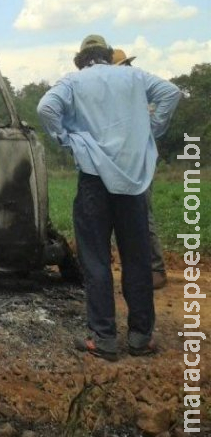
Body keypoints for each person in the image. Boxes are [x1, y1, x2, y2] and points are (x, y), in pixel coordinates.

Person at [37, 35, 180, 361]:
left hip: (94, 182)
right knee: (138, 260)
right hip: (132, 183)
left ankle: (104, 339)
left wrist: (65, 138)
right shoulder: (133, 76)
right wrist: (151, 129)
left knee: (97, 261)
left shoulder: (73, 81)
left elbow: (46, 107)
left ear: (81, 59)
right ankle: (140, 338)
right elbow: (170, 93)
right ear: (105, 55)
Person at [112, 49, 167, 289]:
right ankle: (141, 267)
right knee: (126, 213)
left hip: (138, 160)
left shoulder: (136, 95)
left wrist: (151, 132)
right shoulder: (128, 93)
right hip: (127, 160)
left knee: (142, 212)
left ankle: (155, 269)